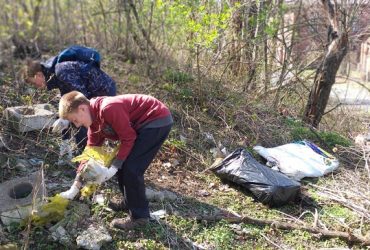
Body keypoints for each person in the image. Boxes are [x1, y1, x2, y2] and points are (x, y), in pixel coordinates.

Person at [58, 91, 173, 230]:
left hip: (155, 119)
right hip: (140, 125)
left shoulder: (108, 108)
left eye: (75, 120)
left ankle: (140, 217)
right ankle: (129, 202)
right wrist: (75, 186)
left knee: (132, 168)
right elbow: (90, 154)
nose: (77, 125)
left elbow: (128, 138)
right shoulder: (94, 125)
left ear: (82, 108)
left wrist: (113, 169)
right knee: (123, 164)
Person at [22, 52, 116, 161]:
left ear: (38, 75)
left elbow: (82, 101)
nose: (36, 87)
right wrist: (65, 139)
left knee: (82, 121)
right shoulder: (56, 77)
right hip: (91, 93)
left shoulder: (61, 72)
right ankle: (86, 154)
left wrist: (68, 120)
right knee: (76, 118)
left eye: (33, 83)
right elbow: (67, 108)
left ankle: (90, 158)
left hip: (102, 89)